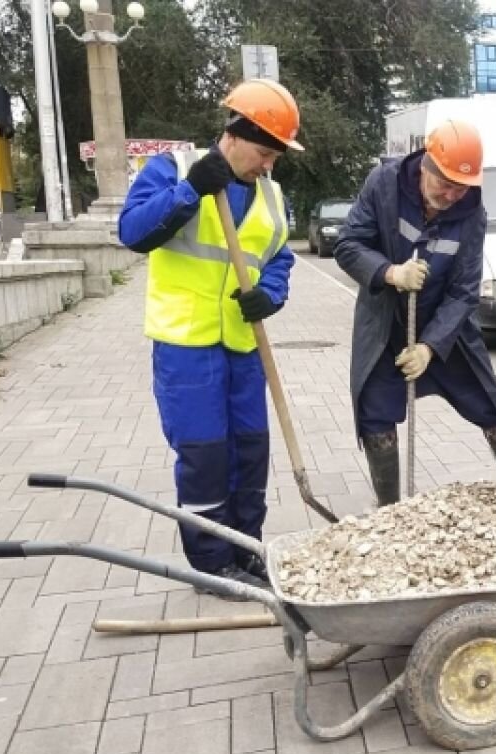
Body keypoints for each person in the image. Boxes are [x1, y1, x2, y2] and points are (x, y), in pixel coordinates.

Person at [118, 78, 303, 594]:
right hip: (186, 349)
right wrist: (189, 191)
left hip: (244, 348)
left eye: (275, 157)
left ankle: (247, 550)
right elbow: (132, 232)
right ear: (235, 135)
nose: (268, 165)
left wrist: (270, 291)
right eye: (265, 152)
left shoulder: (271, 193)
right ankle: (209, 563)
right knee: (205, 457)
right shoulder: (172, 171)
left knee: (250, 454)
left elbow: (280, 257)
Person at [334, 119, 496, 507]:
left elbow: (464, 291)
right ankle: (390, 510)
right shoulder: (384, 185)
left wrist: (429, 347)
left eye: (461, 187)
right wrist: (390, 272)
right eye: (444, 183)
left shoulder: (472, 214)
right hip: (386, 322)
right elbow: (348, 245)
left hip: (446, 330)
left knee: (491, 402)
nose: (451, 194)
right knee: (374, 410)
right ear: (425, 165)